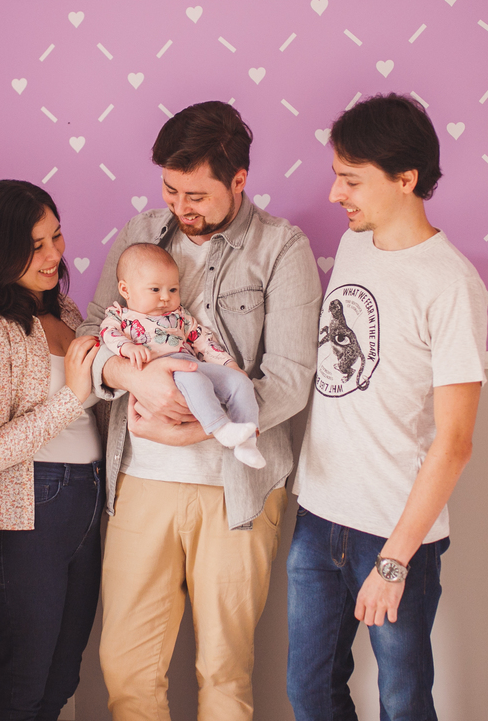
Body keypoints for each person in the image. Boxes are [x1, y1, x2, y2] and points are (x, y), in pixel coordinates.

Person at [78, 100, 323, 720]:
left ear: (239, 181)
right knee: (126, 667)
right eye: (170, 189)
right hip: (140, 480)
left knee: (224, 671)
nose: (181, 208)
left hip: (236, 487)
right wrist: (134, 378)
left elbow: (292, 379)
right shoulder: (137, 237)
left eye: (197, 194)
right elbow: (90, 336)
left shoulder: (281, 249)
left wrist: (200, 430)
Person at [286, 94, 487, 720]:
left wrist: (396, 559)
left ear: (406, 179)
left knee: (401, 701)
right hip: (319, 515)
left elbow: (454, 442)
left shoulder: (451, 283)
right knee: (310, 693)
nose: (333, 194)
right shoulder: (356, 246)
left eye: (351, 179)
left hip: (394, 531)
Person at [0, 180, 105, 721]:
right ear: (1, 250)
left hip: (86, 501)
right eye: (36, 245)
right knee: (23, 680)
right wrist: (73, 398)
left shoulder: (62, 307)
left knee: (64, 675)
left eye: (57, 237)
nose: (54, 255)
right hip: (28, 510)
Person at [100, 242, 264, 468]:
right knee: (196, 381)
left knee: (240, 383)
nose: (165, 298)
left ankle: (247, 443)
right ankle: (221, 429)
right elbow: (106, 333)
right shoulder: (121, 316)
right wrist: (127, 348)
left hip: (191, 364)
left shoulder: (180, 316)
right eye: (155, 290)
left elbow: (203, 341)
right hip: (164, 373)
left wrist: (229, 364)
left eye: (173, 290)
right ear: (125, 290)